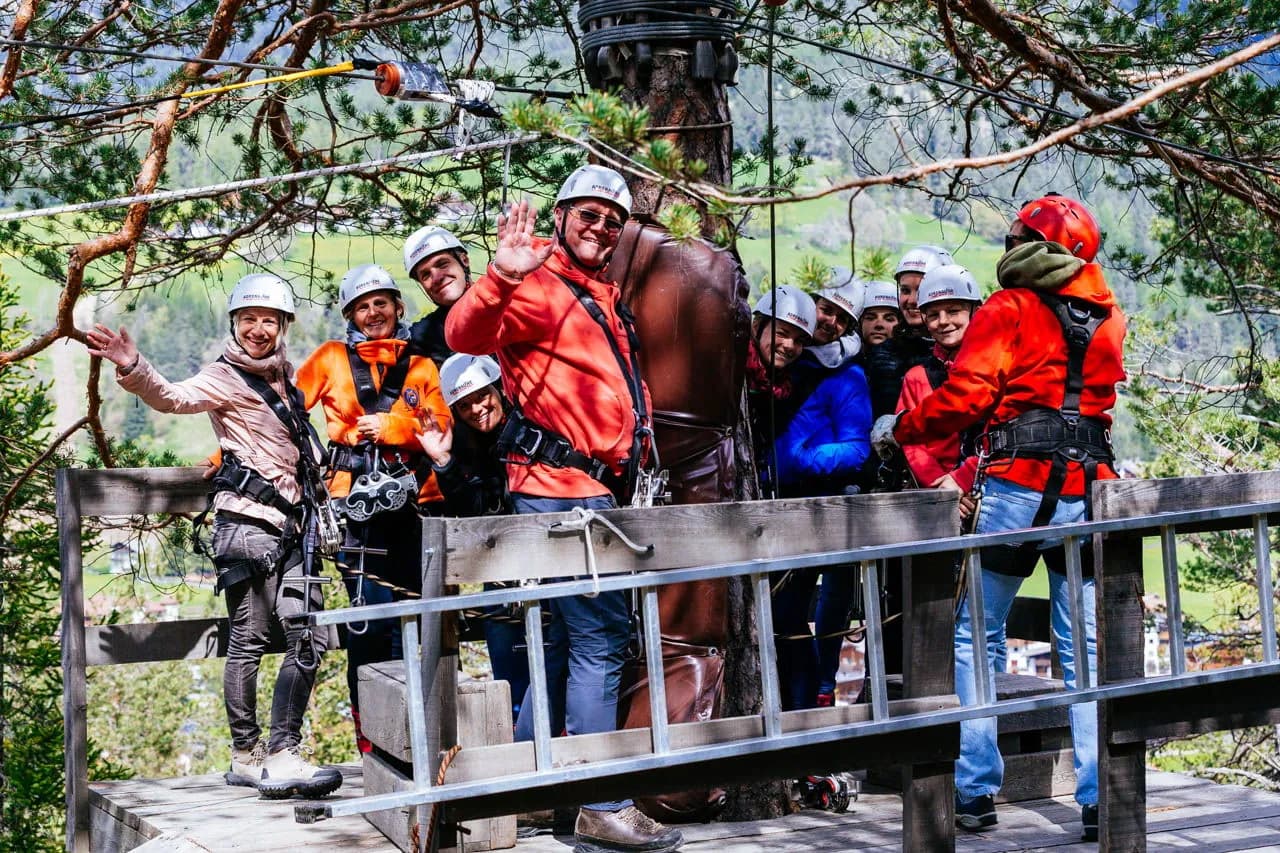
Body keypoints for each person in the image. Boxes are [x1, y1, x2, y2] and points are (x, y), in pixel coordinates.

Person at [873, 193, 1124, 842]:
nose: (1008, 245)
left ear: (1030, 243)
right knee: (1084, 648)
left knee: (976, 635)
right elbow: (1102, 397)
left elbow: (968, 395)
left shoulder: (1011, 308)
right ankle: (1099, 799)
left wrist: (903, 428)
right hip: (1089, 487)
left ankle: (976, 789)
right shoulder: (1106, 314)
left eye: (1014, 235)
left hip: (1015, 484)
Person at [445, 165, 681, 853]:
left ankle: (522, 782)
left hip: (590, 489)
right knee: (598, 643)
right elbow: (465, 333)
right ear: (560, 216)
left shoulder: (597, 293)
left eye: (612, 219)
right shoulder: (541, 289)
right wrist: (503, 275)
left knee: (564, 644)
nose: (600, 226)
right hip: (561, 489)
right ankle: (599, 802)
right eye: (587, 213)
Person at [85, 274, 344, 799]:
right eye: (248, 319)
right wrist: (133, 367)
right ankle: (251, 755)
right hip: (247, 524)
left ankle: (280, 752)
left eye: (268, 320)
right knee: (249, 638)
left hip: (296, 527)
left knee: (307, 634)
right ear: (234, 324)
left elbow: (296, 451)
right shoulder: (224, 377)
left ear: (283, 327)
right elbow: (173, 398)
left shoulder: (284, 381)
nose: (257, 328)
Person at [295, 263, 451, 755]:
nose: (373, 313)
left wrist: (394, 428)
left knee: (424, 620)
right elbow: (284, 411)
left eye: (381, 303)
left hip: (416, 504)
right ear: (351, 316)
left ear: (397, 307)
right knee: (370, 623)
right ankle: (374, 741)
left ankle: (428, 737)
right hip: (353, 504)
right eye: (362, 306)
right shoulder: (329, 360)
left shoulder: (421, 368)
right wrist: (222, 458)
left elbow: (440, 426)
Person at [773, 276, 872, 709]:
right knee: (780, 614)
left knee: (794, 612)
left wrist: (798, 458)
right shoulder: (783, 361)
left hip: (819, 503)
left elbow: (857, 447)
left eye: (842, 317)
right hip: (776, 503)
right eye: (825, 308)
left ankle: (808, 702)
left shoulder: (847, 376)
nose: (829, 321)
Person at [417, 353, 529, 719]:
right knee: (510, 681)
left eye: (482, 396)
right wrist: (445, 463)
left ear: (499, 388)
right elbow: (471, 510)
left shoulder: (531, 429)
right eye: (464, 406)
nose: (477, 409)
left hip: (545, 566)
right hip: (500, 576)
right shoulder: (468, 447)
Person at [896, 263, 983, 519]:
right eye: (933, 314)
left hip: (992, 487)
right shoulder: (917, 378)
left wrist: (963, 480)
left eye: (953, 311)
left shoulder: (994, 369)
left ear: (974, 312)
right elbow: (910, 442)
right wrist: (943, 487)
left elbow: (1002, 430)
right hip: (937, 495)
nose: (943, 321)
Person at [745, 284, 818, 499]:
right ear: (757, 325)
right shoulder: (729, 369)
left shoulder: (783, 387)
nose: (789, 345)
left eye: (799, 341)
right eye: (782, 333)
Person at [404, 225, 472, 367]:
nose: (436, 278)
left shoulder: (507, 304)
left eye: (442, 264)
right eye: (426, 274)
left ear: (464, 260)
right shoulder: (422, 338)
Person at [894, 244, 954, 343]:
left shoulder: (964, 350)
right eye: (905, 291)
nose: (912, 300)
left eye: (922, 290)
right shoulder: (886, 349)